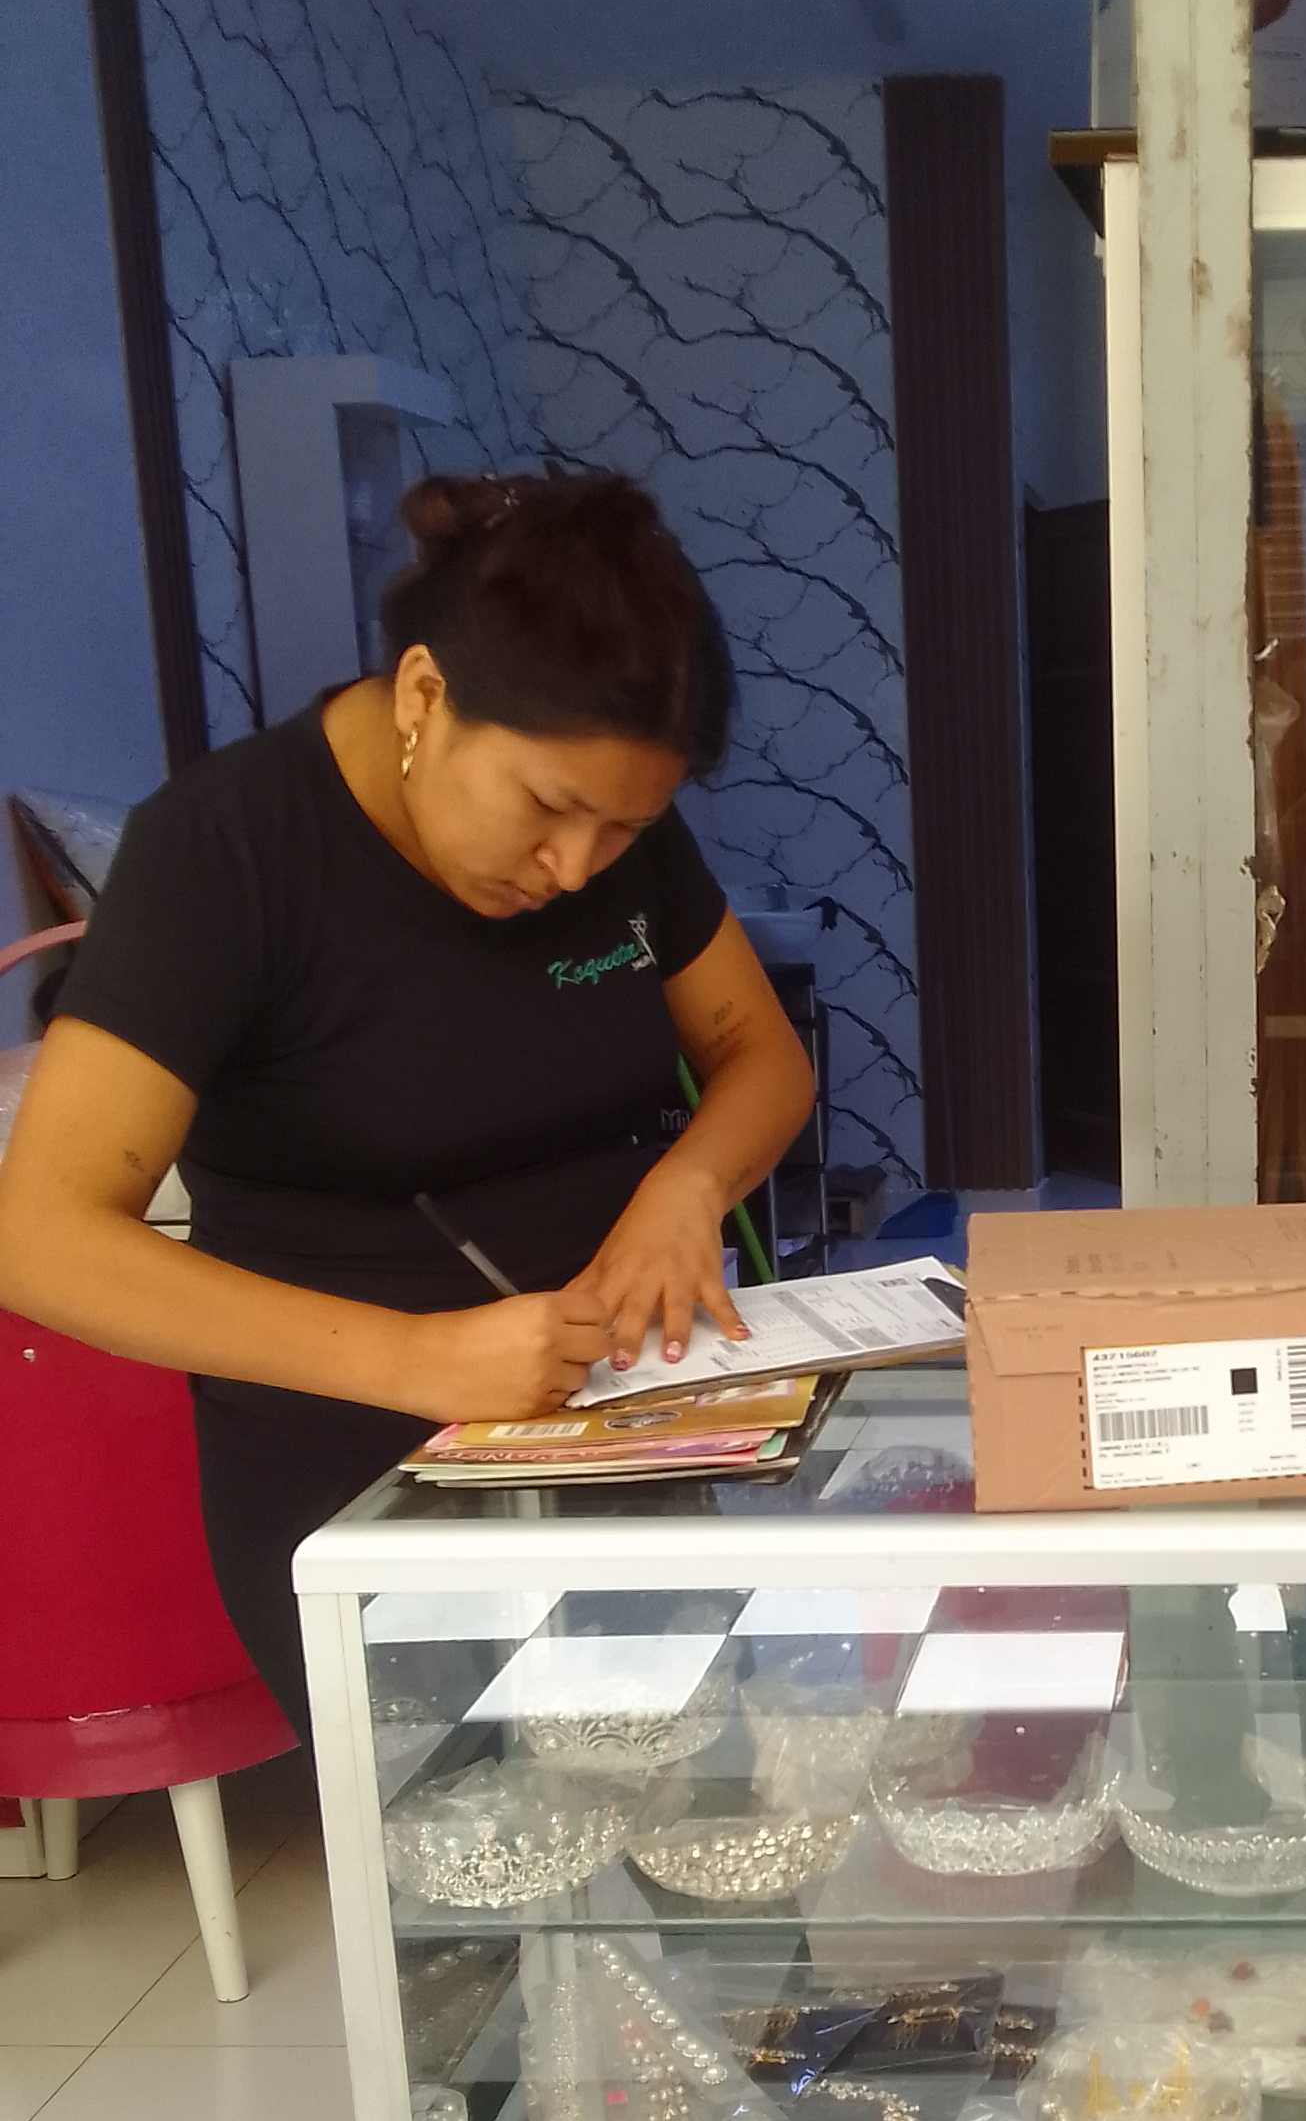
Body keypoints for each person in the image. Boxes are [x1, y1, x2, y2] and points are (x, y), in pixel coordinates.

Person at [0, 469, 814, 1734]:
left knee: (704, 1800)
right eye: (549, 811)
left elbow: (761, 1055)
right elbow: (41, 1238)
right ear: (426, 695)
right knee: (470, 1843)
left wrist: (688, 1187)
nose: (577, 868)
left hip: (620, 1419)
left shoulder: (614, 831)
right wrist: (419, 1358)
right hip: (351, 1468)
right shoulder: (223, 855)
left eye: (622, 830)